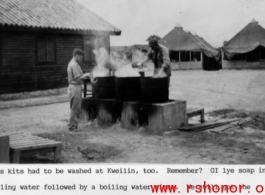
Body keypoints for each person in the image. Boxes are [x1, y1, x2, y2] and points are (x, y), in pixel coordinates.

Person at [67, 48, 90, 131]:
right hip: (76, 87)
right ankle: (73, 126)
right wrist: (87, 76)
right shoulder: (74, 65)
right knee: (76, 107)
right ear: (76, 55)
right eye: (80, 57)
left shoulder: (71, 63)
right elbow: (78, 78)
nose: (81, 59)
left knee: (73, 106)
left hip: (71, 86)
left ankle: (71, 123)